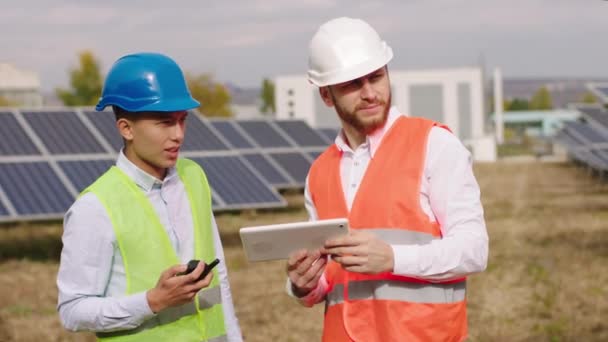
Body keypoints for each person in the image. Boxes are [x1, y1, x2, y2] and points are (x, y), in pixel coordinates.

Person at [285, 17, 489, 341]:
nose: (369, 93)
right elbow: (330, 280)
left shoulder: (434, 144)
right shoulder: (319, 173)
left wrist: (393, 258)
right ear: (326, 95)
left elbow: (473, 250)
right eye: (352, 83)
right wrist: (303, 284)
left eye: (376, 77)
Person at [57, 52, 242, 341]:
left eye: (183, 120)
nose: (178, 134)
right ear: (126, 128)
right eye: (165, 122)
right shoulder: (94, 208)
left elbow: (221, 277)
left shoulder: (194, 176)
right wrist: (153, 301)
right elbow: (72, 310)